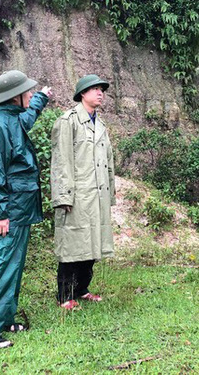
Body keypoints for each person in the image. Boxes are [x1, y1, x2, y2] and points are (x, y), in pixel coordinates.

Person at [0, 70, 52, 349]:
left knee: (12, 266)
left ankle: (2, 320)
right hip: (8, 210)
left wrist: (41, 98)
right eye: (27, 91)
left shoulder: (12, 118)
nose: (30, 93)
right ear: (15, 97)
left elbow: (28, 118)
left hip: (20, 207)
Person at [51, 74, 116, 310]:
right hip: (77, 195)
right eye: (94, 89)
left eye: (101, 90)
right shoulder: (67, 121)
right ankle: (64, 295)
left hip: (97, 196)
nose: (100, 93)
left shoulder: (101, 125)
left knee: (92, 244)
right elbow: (61, 161)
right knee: (72, 245)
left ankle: (82, 289)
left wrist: (110, 195)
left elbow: (109, 163)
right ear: (82, 94)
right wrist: (63, 196)